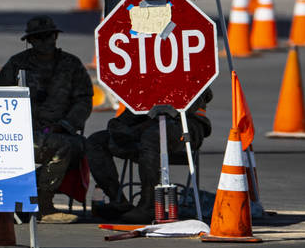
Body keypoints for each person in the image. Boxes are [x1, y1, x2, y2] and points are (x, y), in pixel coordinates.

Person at [0, 15, 92, 222]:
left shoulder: (70, 64)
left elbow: (84, 100)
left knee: (88, 146)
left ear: (56, 36)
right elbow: (0, 99)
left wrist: (65, 125)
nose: (44, 42)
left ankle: (115, 201)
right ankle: (42, 204)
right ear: (30, 41)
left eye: (48, 36)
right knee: (61, 147)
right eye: (38, 38)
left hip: (62, 131)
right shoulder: (17, 64)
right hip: (21, 137)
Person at [87, 90, 214, 224]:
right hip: (144, 124)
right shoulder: (146, 73)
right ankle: (118, 202)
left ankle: (148, 206)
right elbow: (139, 97)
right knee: (96, 141)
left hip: (184, 124)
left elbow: (201, 94)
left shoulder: (190, 73)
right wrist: (121, 123)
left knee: (152, 136)